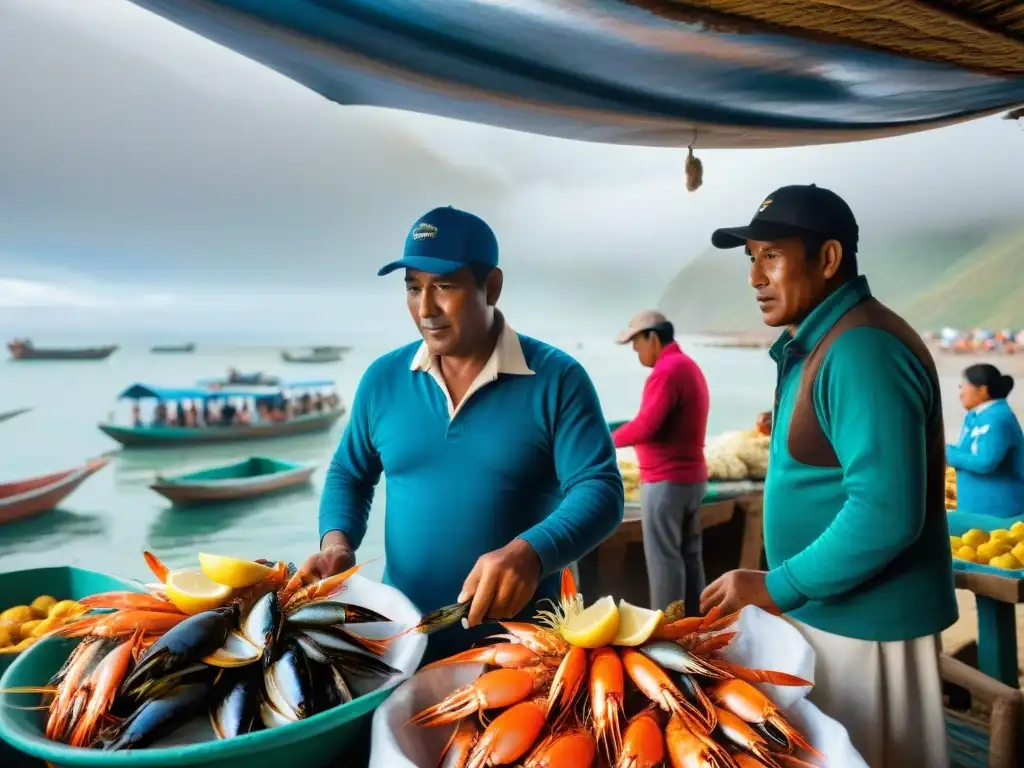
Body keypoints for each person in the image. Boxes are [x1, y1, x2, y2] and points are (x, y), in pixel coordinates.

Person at [700, 184, 957, 767]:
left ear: (830, 259)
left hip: (868, 626)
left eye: (772, 255)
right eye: (750, 258)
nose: (755, 277)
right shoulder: (822, 341)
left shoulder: (861, 349)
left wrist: (775, 585)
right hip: (831, 608)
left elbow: (884, 513)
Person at [302, 206, 623, 663]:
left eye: (444, 287)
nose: (425, 308)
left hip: (525, 653)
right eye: (413, 288)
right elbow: (349, 474)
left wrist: (530, 553)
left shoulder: (558, 378)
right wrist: (336, 543)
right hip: (400, 642)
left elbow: (600, 488)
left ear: (491, 287)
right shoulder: (382, 379)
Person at [611, 310, 710, 615]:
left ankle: (667, 638)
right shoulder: (687, 366)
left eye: (636, 342)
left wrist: (604, 439)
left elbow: (646, 425)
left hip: (666, 483)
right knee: (689, 557)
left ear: (652, 337)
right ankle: (698, 628)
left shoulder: (666, 372)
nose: (634, 349)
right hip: (692, 480)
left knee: (664, 561)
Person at [947, 363, 1024, 517]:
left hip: (996, 510)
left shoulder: (998, 418)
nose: (960, 394)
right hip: (970, 504)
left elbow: (985, 462)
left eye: (963, 388)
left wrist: (946, 452)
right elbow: (965, 452)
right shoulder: (977, 416)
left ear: (982, 390)